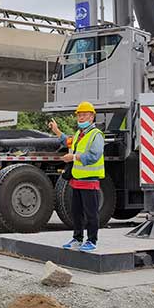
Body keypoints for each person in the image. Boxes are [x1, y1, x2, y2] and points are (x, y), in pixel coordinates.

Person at [48, 101, 105, 252]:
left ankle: (92, 240)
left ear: (92, 117)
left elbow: (94, 156)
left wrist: (73, 158)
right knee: (77, 213)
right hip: (77, 181)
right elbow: (68, 141)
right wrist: (57, 131)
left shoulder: (96, 135)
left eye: (84, 115)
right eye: (79, 115)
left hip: (90, 180)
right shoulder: (80, 134)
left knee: (91, 213)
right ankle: (77, 239)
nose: (81, 118)